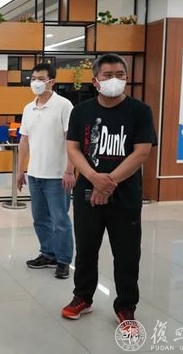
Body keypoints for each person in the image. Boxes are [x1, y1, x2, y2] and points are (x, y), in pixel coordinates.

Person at [61, 53, 157, 329]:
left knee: (127, 252)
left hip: (125, 194)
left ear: (126, 78)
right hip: (87, 193)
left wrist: (108, 182)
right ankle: (83, 297)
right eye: (107, 75)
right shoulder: (81, 111)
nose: (114, 79)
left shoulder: (140, 111)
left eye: (120, 75)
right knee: (86, 249)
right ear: (95, 80)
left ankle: (126, 306)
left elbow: (142, 152)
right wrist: (93, 177)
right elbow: (73, 148)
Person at [16, 63, 75, 279]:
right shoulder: (28, 108)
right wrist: (20, 170)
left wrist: (70, 170)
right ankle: (48, 253)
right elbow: (24, 141)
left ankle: (63, 260)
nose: (36, 82)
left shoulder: (64, 105)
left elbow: (72, 140)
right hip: (35, 174)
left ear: (52, 81)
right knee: (40, 219)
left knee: (60, 221)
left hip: (57, 176)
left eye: (40, 78)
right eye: (33, 78)